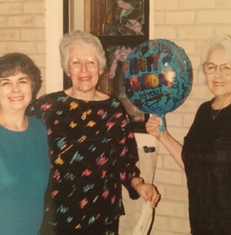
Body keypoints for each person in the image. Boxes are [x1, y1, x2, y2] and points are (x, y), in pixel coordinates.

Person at [27, 30, 160, 235]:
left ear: (100, 67)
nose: (84, 69)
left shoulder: (114, 109)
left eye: (90, 62)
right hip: (57, 215)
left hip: (101, 214)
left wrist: (139, 184)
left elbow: (124, 161)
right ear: (67, 69)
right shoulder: (47, 107)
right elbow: (19, 136)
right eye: (76, 62)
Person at [145, 34, 231, 235]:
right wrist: (163, 135)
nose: (217, 75)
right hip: (200, 222)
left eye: (227, 67)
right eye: (211, 67)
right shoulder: (205, 111)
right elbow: (192, 163)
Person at [0, 52, 50, 235]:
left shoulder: (38, 130)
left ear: (32, 85)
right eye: (6, 82)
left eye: (22, 81)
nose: (15, 89)